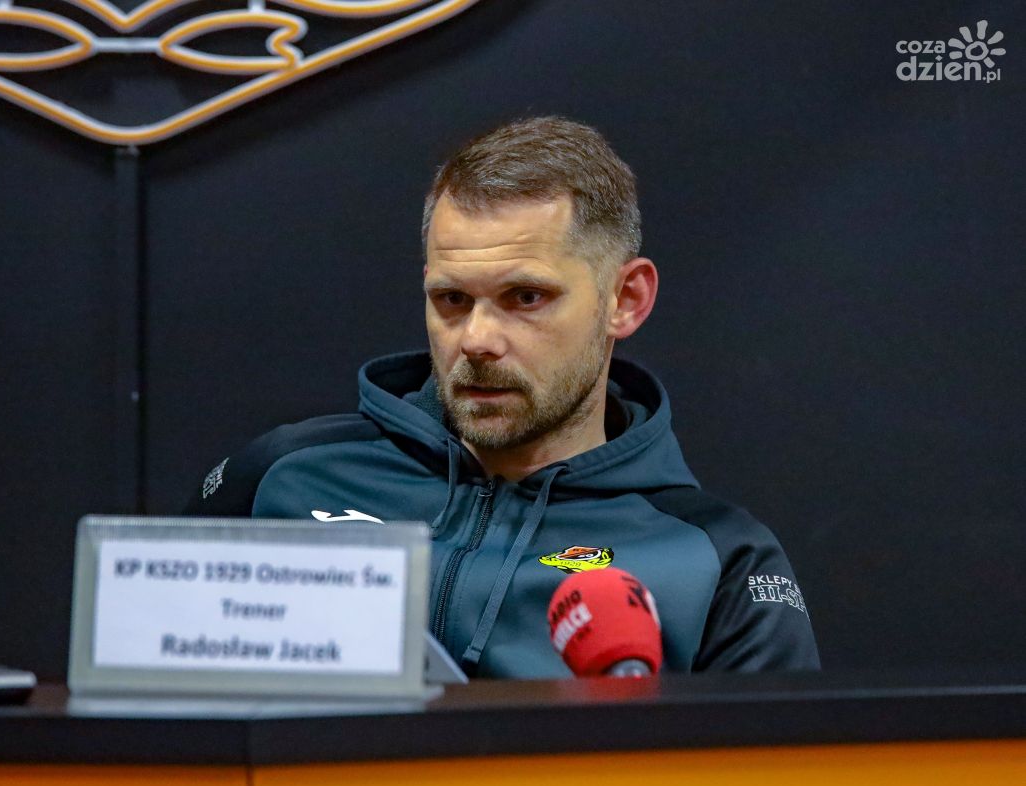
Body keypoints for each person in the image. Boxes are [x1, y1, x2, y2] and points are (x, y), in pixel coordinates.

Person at [186, 116, 819, 677]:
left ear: (625, 300)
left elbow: (771, 778)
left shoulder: (718, 561)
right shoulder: (284, 476)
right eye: (452, 299)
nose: (477, 340)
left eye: (526, 297)